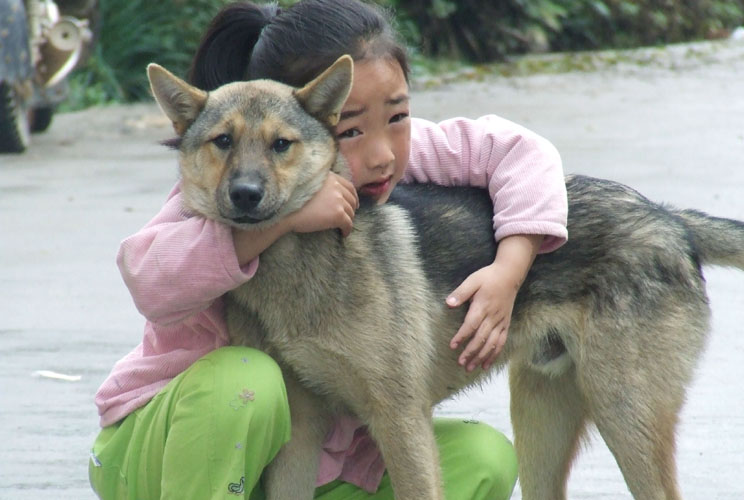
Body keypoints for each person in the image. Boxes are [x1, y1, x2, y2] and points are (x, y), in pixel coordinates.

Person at [89, 1, 568, 499]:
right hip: (166, 453)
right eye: (352, 129)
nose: (380, 151)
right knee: (245, 381)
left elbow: (521, 150)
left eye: (397, 116)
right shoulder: (209, 195)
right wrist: (284, 220)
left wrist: (510, 269)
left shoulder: (369, 151)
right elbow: (149, 278)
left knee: (482, 459)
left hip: (311, 468)